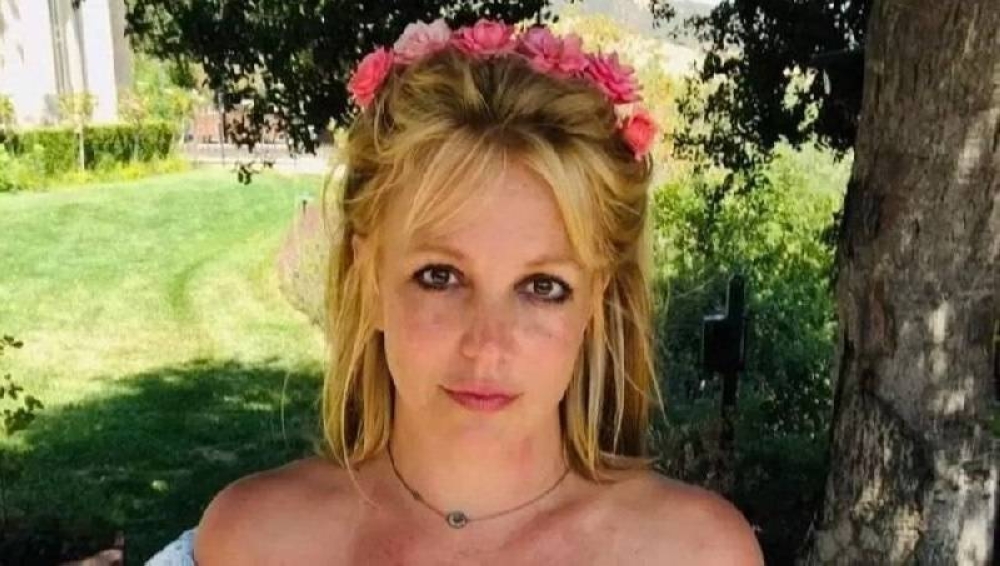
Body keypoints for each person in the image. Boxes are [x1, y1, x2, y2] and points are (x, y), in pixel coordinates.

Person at [148, 17, 764, 565]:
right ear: (369, 280)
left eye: (542, 286)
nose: (487, 346)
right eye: (439, 276)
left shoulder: (694, 554)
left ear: (594, 303)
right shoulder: (253, 542)